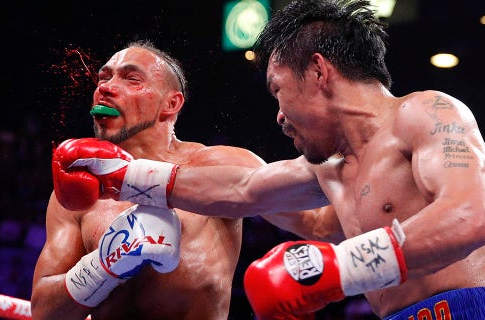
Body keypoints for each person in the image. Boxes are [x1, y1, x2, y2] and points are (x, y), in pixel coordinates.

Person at [49, 0, 485, 318]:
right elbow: (242, 190)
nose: (278, 115)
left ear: (318, 71)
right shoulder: (332, 169)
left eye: (279, 90)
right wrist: (127, 176)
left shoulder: (426, 112)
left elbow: (467, 218)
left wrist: (338, 269)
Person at [31, 40, 341, 320]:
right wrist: (104, 265)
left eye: (131, 78)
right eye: (104, 77)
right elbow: (44, 310)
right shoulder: (79, 190)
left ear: (171, 104)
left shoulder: (220, 164)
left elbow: (320, 223)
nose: (107, 87)